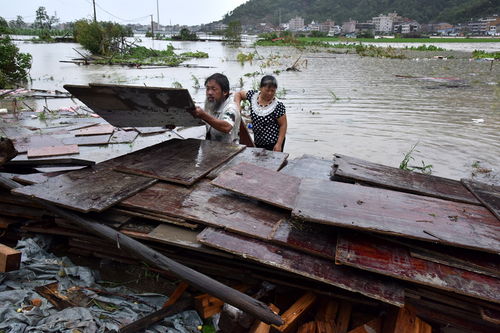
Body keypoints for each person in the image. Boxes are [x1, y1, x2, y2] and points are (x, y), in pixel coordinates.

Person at [234, 75, 287, 152]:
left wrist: (279, 144)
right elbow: (238, 94)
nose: (270, 93)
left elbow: (283, 125)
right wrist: (238, 108)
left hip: (273, 143)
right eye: (267, 90)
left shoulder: (278, 105)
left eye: (273, 91)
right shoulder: (253, 96)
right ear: (260, 88)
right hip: (258, 141)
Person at [191, 73, 240, 144]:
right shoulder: (212, 104)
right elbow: (200, 120)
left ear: (225, 92)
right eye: (207, 89)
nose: (209, 92)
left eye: (214, 89)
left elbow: (226, 127)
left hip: (229, 150)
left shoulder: (231, 108)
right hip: (212, 147)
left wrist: (203, 115)